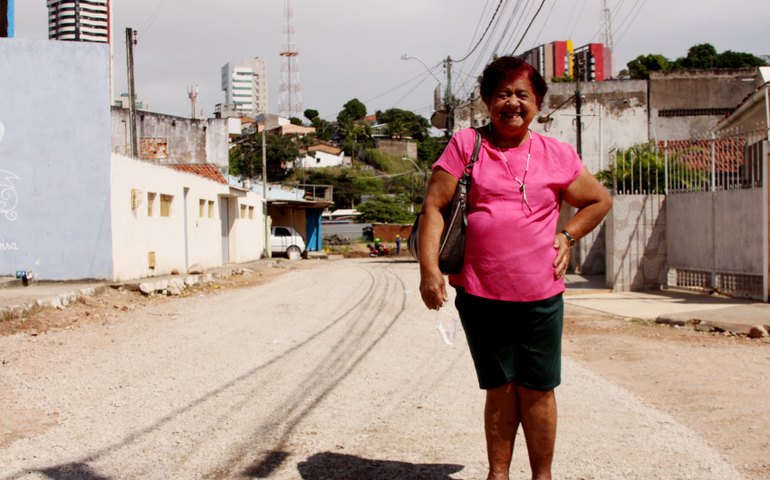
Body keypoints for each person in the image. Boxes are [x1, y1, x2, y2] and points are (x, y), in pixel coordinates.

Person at [418, 56, 611, 480]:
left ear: (537, 102)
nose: (512, 103)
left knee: (539, 389)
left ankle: (542, 477)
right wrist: (429, 270)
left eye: (522, 94)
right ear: (487, 100)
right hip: (480, 293)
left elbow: (599, 200)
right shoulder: (466, 145)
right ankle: (498, 475)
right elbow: (434, 206)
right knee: (500, 388)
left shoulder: (557, 154)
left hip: (541, 295)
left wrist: (569, 235)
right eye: (502, 93)